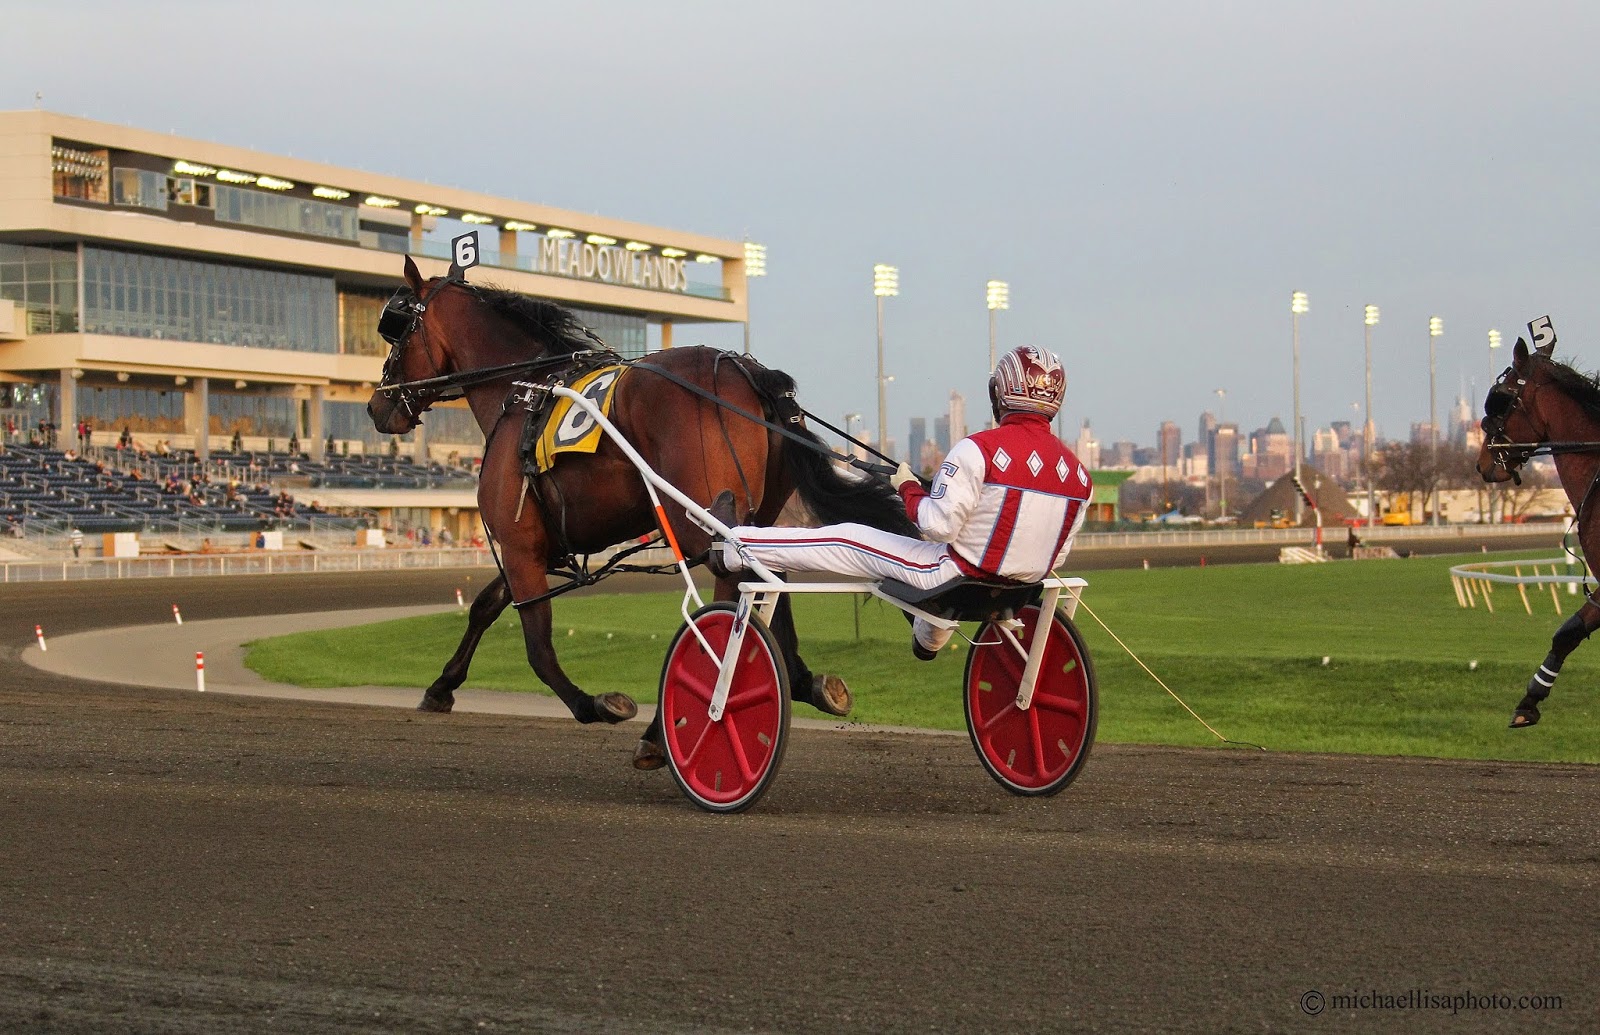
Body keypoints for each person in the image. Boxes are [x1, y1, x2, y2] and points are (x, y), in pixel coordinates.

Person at [711, 345, 1093, 660]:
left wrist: (908, 487)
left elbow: (935, 525)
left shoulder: (978, 450)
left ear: (1000, 393)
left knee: (849, 538)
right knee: (913, 549)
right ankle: (927, 641)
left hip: (953, 576)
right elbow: (1056, 556)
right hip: (1022, 589)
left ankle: (732, 547)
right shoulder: (1079, 475)